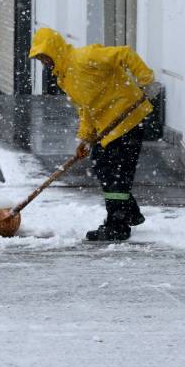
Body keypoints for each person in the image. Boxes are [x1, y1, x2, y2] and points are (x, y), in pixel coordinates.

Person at [29, 28, 159, 242]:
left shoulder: (84, 58)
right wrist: (86, 138)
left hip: (129, 117)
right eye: (41, 59)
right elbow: (87, 109)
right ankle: (128, 212)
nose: (44, 63)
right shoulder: (65, 78)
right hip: (109, 126)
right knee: (103, 166)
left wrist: (146, 80)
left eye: (45, 57)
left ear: (55, 50)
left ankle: (117, 225)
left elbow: (124, 54)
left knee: (115, 172)